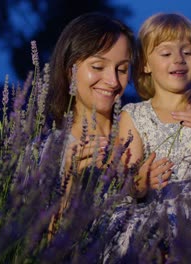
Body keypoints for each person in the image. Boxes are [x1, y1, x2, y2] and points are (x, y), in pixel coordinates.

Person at [103, 13, 191, 260]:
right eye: (166, 54)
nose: (178, 59)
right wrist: (143, 180)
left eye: (187, 52)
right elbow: (126, 179)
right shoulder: (133, 115)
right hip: (152, 211)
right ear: (145, 63)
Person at [43, 12, 135, 238]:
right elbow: (42, 246)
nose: (113, 81)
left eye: (122, 69)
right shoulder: (46, 153)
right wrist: (72, 184)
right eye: (98, 66)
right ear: (69, 69)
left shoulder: (142, 134)